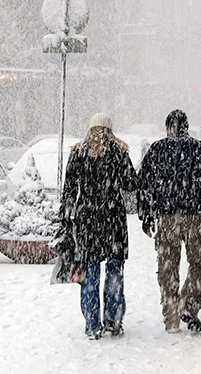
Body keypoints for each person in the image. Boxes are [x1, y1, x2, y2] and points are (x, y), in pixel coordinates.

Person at [137, 109, 201, 334]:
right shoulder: (200, 149)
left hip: (167, 219)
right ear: (187, 127)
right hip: (194, 218)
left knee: (167, 269)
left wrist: (145, 213)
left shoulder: (157, 150)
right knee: (200, 265)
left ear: (167, 127)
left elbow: (143, 184)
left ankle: (172, 317)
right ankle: (189, 302)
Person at [59, 113, 138, 340]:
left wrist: (66, 217)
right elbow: (130, 183)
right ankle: (113, 321)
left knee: (90, 274)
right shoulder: (118, 153)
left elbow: (70, 190)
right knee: (114, 273)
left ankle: (92, 325)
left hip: (88, 222)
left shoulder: (78, 153)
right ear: (110, 129)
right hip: (113, 221)